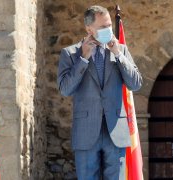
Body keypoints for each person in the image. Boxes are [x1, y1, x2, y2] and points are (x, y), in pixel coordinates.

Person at [57, 5, 142, 179]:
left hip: (116, 131)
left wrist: (118, 54)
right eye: (103, 27)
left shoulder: (121, 50)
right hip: (86, 133)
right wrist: (83, 59)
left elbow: (135, 83)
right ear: (89, 29)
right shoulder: (70, 53)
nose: (109, 30)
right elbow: (65, 89)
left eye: (109, 25)